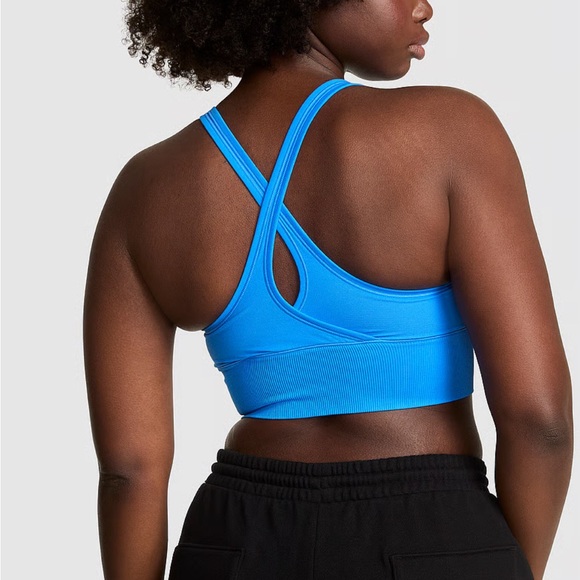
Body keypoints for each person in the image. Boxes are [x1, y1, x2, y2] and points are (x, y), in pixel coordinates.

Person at [83, 0, 573, 578]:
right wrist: (496, 565)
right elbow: (540, 422)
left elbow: (129, 472)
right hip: (435, 529)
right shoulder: (450, 131)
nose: (424, 7)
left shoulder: (146, 189)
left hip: (235, 542)